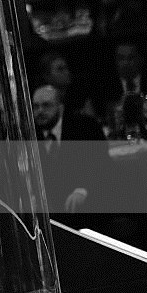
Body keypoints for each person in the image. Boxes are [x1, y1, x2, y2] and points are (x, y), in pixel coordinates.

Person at [32, 84, 108, 220]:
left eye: (46, 105)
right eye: (36, 106)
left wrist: (83, 189)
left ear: (60, 107)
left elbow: (101, 163)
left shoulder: (86, 127)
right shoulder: (29, 135)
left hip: (87, 207)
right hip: (48, 214)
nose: (40, 111)